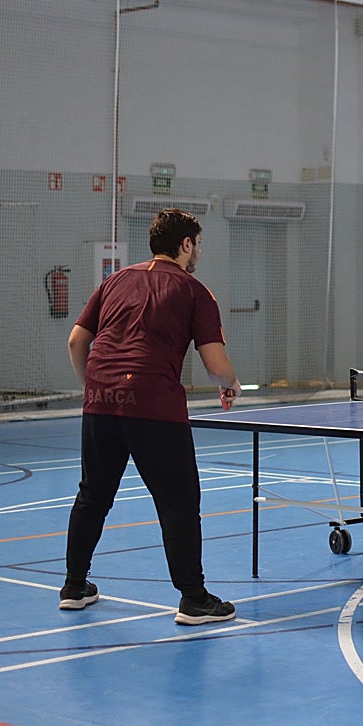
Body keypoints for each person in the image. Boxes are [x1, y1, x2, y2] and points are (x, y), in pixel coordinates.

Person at [60, 208, 244, 624]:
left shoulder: (115, 281)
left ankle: (74, 585)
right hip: (154, 404)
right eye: (197, 244)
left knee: (93, 495)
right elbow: (215, 363)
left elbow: (77, 341)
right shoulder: (195, 291)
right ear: (186, 245)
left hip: (100, 401)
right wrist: (230, 383)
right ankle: (194, 599)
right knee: (179, 502)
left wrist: (92, 386)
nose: (198, 252)